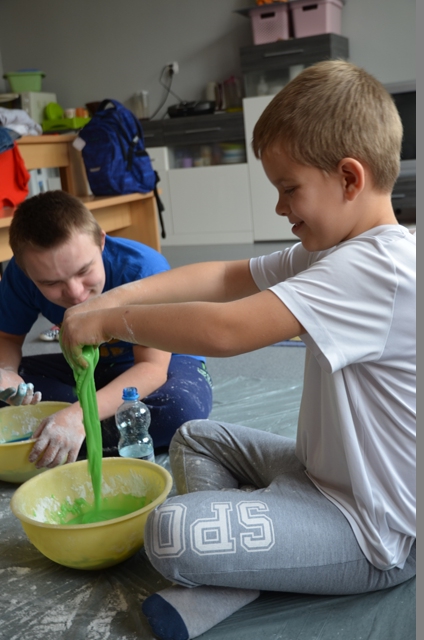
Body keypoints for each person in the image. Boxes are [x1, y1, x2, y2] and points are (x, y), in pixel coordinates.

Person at [59, 60, 416, 640]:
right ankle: (258, 559)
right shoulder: (333, 250)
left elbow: (226, 330)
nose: (280, 208)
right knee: (196, 437)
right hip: (318, 476)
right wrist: (108, 299)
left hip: (373, 534)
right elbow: (226, 277)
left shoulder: (379, 267)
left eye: (289, 189)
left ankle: (244, 569)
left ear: (350, 179)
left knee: (168, 533)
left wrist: (109, 323)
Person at [0, 190, 213, 468]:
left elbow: (151, 368)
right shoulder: (20, 275)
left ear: (101, 241)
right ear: (25, 269)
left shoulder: (143, 269)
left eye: (83, 271)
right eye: (51, 283)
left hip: (162, 362)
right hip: (86, 365)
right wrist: (7, 372)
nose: (76, 293)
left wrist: (80, 416)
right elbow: (7, 338)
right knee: (5, 390)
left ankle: (60, 432)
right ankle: (68, 430)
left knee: (180, 411)